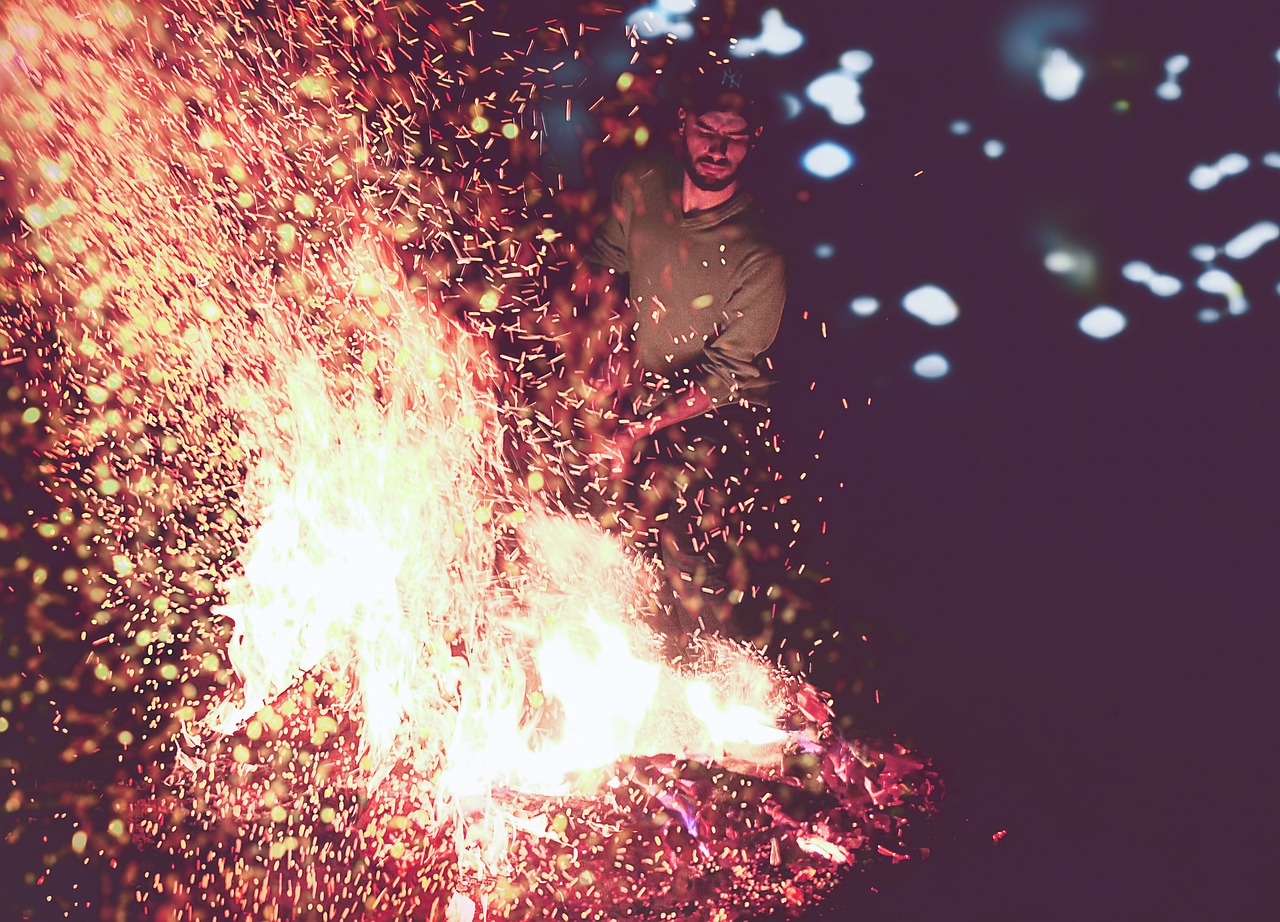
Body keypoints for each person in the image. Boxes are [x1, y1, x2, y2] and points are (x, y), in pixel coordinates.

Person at [578, 62, 788, 638]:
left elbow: (726, 378)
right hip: (643, 381)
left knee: (676, 510)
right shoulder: (642, 182)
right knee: (567, 465)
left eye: (733, 138)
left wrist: (636, 429)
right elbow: (606, 267)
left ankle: (701, 655)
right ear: (684, 124)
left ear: (752, 142)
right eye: (707, 131)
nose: (717, 148)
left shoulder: (758, 255)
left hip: (722, 411)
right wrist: (606, 350)